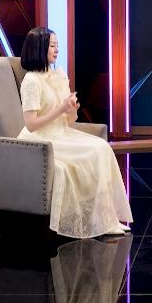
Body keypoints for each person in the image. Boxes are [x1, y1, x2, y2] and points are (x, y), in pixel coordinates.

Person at [17, 27, 132, 238]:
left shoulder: (58, 76)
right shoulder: (31, 81)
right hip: (40, 139)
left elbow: (68, 122)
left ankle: (107, 218)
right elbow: (31, 124)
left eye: (57, 45)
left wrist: (71, 110)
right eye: (52, 45)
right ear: (39, 48)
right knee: (92, 153)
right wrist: (60, 108)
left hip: (60, 133)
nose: (56, 50)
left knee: (102, 148)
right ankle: (98, 222)